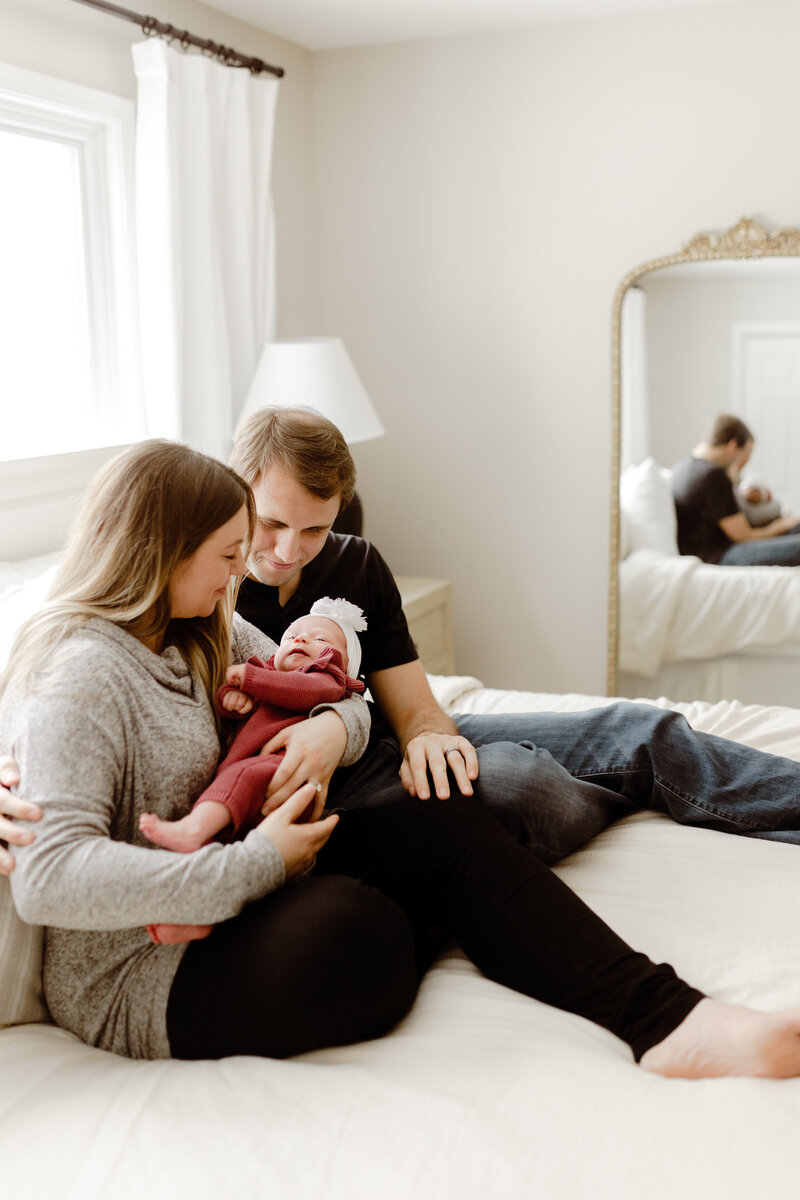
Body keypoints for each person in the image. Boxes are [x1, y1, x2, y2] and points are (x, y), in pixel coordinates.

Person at [5, 437, 800, 1080]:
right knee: (363, 940)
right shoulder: (81, 676)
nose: (238, 573)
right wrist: (256, 866)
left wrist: (329, 733)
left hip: (246, 875)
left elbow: (337, 691)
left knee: (446, 818)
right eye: (226, 553)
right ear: (162, 551)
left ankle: (669, 1022)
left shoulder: (202, 630)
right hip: (146, 968)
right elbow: (47, 879)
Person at [6, 406, 800, 873]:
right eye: (271, 523)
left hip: (378, 746)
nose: (287, 549)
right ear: (233, 493)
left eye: (314, 528)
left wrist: (425, 737)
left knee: (644, 729)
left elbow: (415, 707)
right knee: (526, 792)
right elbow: (68, 686)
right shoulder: (196, 581)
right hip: (294, 796)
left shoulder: (354, 565)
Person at [140, 598, 367, 946]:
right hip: (249, 772)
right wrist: (235, 699)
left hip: (278, 771)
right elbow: (244, 700)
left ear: (345, 664)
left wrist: (251, 679)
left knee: (233, 799)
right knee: (227, 852)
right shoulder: (269, 670)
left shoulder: (325, 680)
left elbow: (302, 691)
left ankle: (192, 827)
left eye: (320, 639)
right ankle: (191, 918)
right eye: (292, 635)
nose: (301, 640)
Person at [671, 413, 800, 566]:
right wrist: (779, 526)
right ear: (732, 446)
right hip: (721, 554)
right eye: (746, 453)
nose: (745, 461)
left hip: (709, 549)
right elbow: (744, 536)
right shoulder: (713, 475)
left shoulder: (683, 466)